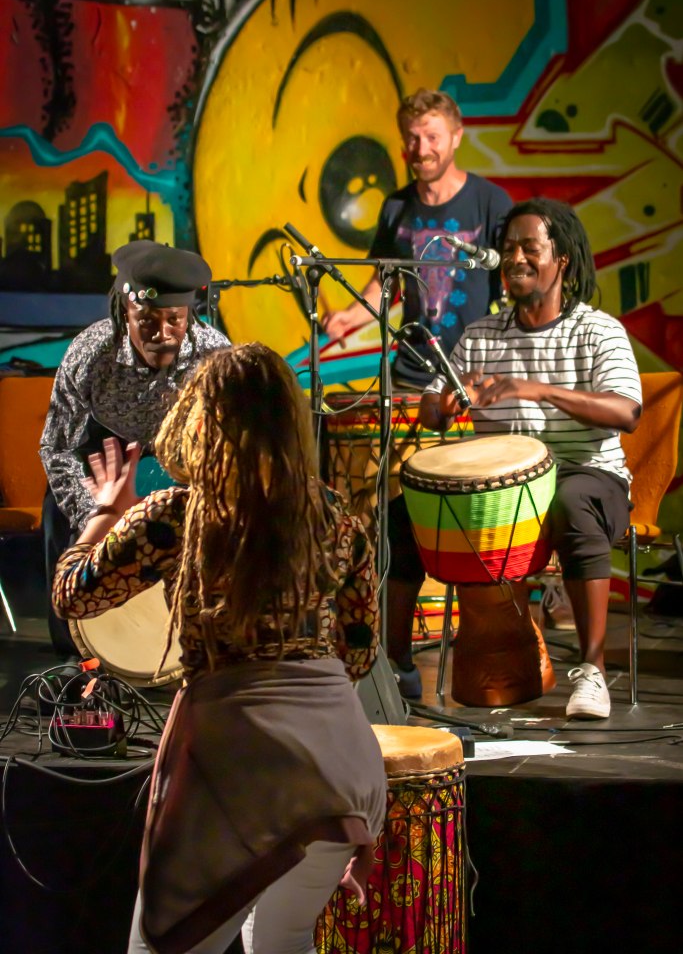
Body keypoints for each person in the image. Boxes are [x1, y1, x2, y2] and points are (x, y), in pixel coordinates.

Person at [51, 343, 386, 954]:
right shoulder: (336, 516)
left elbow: (72, 595)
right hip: (343, 768)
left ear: (203, 419)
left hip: (240, 763)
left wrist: (104, 513)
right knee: (285, 940)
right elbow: (358, 654)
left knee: (160, 946)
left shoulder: (178, 515)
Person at [419, 197, 643, 719]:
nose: (515, 257)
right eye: (508, 248)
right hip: (502, 493)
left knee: (571, 499)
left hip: (589, 477)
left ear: (561, 259)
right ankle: (394, 667)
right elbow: (431, 409)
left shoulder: (597, 330)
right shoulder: (480, 335)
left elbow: (626, 412)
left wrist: (537, 389)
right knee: (400, 516)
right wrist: (444, 405)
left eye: (529, 247)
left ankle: (592, 671)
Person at [323, 87, 512, 699]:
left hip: (471, 379)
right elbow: (383, 286)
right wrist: (350, 318)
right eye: (411, 136)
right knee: (397, 513)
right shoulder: (397, 207)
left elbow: (510, 288)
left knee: (474, 514)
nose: (420, 147)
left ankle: (490, 647)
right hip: (408, 377)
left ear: (455, 137)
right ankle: (394, 655)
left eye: (431, 136)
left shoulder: (491, 202)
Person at [40, 239, 229, 652]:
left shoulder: (214, 354)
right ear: (125, 311)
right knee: (57, 516)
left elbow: (229, 444)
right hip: (100, 461)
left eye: (175, 319)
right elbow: (56, 446)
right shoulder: (91, 352)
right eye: (146, 320)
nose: (163, 334)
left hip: (178, 466)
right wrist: (95, 515)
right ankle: (74, 659)